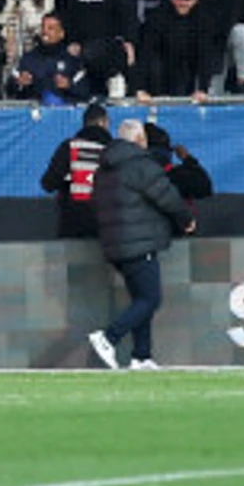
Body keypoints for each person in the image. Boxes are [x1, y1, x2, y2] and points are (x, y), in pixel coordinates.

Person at [87, 120, 192, 369]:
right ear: (139, 140)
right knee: (150, 299)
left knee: (140, 299)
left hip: (114, 242)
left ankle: (141, 356)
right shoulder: (141, 165)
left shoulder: (104, 169)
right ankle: (108, 337)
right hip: (139, 242)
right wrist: (186, 220)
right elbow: (167, 196)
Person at [40, 100, 114, 241]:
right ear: (103, 122)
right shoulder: (114, 150)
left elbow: (48, 183)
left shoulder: (70, 146)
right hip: (107, 224)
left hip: (73, 223)